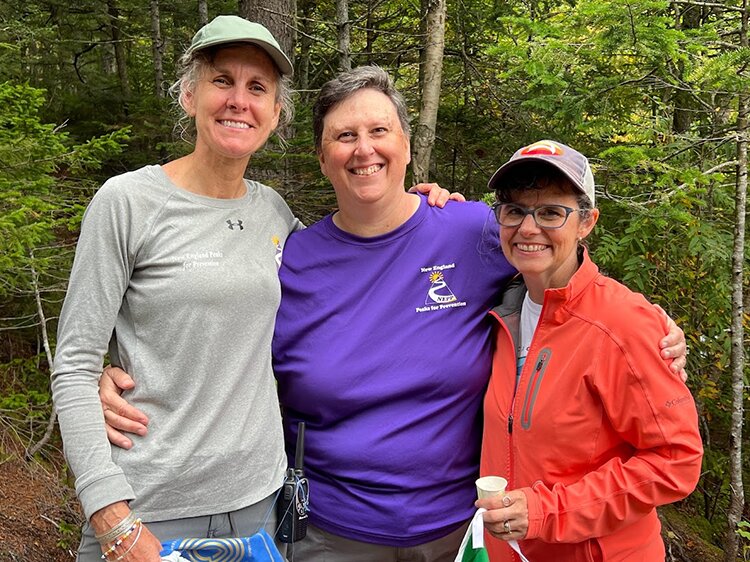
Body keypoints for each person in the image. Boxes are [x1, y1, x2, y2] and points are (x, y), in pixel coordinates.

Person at [99, 68, 688, 561]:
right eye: (344, 135)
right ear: (323, 156)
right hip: (331, 535)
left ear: (406, 143)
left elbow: (561, 273)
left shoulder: (471, 231)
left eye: (379, 129)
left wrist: (649, 328)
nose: (364, 148)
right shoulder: (291, 257)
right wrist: (122, 372)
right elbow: (217, 329)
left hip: (463, 529)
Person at [476, 140, 703, 561]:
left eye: (550, 212)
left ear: (586, 222)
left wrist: (549, 510)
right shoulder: (498, 311)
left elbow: (677, 460)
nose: (528, 229)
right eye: (515, 210)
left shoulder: (624, 323)